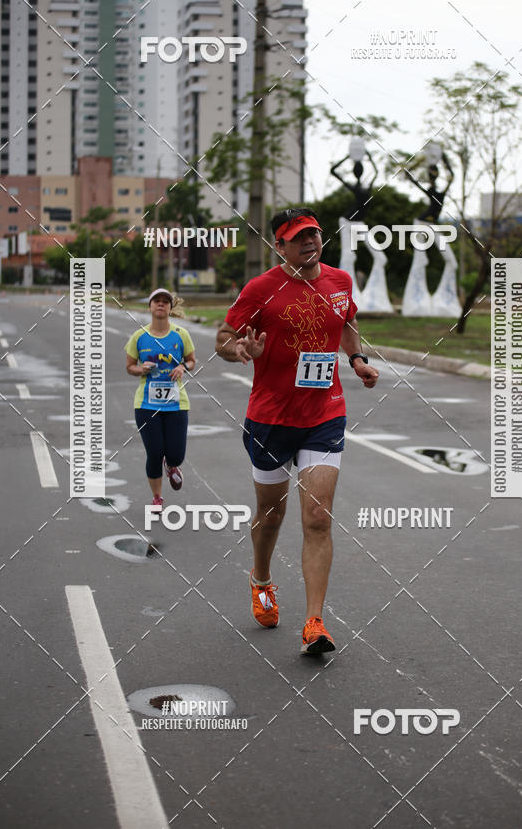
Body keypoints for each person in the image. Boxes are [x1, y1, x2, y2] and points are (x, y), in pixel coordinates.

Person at [215, 208, 379, 655]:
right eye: (298, 237)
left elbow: (345, 321)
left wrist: (356, 359)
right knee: (270, 515)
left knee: (317, 518)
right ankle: (262, 578)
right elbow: (224, 337)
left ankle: (314, 623)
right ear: (279, 245)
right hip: (270, 418)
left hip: (324, 414)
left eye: (314, 234)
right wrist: (241, 348)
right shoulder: (261, 289)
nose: (309, 242)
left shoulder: (340, 282)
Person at [125, 288, 196, 509]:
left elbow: (192, 360)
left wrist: (183, 367)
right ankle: (157, 497)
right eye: (157, 301)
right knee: (154, 452)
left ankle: (172, 465)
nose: (161, 304)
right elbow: (129, 367)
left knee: (176, 454)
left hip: (176, 404)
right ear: (150, 306)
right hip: (146, 404)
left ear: (170, 308)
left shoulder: (181, 334)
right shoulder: (139, 337)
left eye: (165, 301)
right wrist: (141, 369)